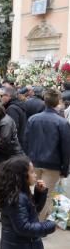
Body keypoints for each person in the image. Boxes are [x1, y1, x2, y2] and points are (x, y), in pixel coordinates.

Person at [25, 89, 70, 219]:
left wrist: (27, 160)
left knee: (35, 191)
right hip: (52, 164)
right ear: (58, 102)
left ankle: (35, 219)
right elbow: (66, 147)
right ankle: (37, 223)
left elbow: (26, 141)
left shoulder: (33, 119)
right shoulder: (62, 122)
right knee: (46, 193)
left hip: (34, 161)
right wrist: (65, 168)